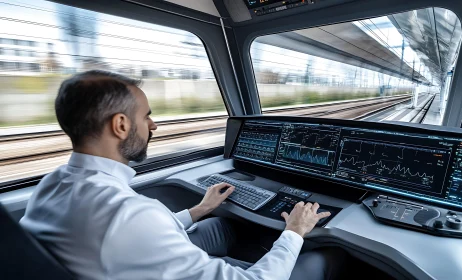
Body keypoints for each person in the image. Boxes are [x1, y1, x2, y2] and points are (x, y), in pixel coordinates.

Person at [20, 70, 347, 280]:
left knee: (219, 224)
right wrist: (294, 232)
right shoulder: (129, 214)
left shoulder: (52, 184)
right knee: (326, 260)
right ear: (120, 125)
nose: (154, 126)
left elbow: (134, 234)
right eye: (146, 117)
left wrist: (197, 210)